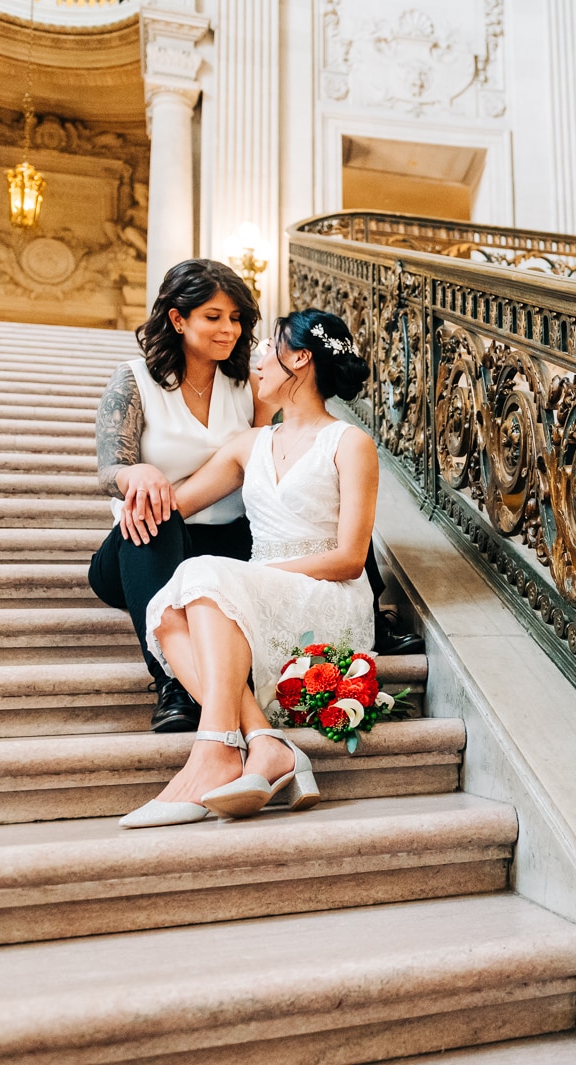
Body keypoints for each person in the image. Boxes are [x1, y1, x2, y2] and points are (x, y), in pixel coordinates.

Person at [120, 309, 377, 829]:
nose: (256, 360)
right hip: (253, 595)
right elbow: (173, 507)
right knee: (165, 611)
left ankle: (214, 752)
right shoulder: (247, 446)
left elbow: (351, 557)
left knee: (210, 575)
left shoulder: (351, 443)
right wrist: (134, 472)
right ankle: (263, 741)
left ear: (299, 358)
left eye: (268, 349)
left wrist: (263, 576)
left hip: (327, 593)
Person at [88, 259, 269, 733]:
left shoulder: (247, 383)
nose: (228, 329)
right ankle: (171, 681)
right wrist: (137, 474)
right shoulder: (134, 380)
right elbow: (110, 468)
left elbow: (268, 464)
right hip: (143, 547)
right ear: (177, 318)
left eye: (236, 319)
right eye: (213, 317)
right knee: (155, 513)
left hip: (227, 546)